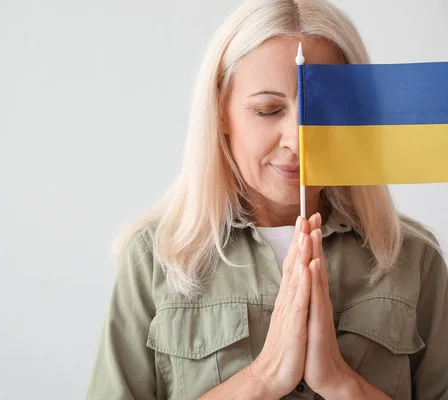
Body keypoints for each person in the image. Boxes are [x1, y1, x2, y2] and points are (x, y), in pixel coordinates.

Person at [87, 0, 448, 398]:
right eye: (267, 110)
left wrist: (339, 382)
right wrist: (264, 378)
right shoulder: (156, 258)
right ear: (221, 109)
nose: (298, 140)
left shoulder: (414, 259)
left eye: (322, 108)